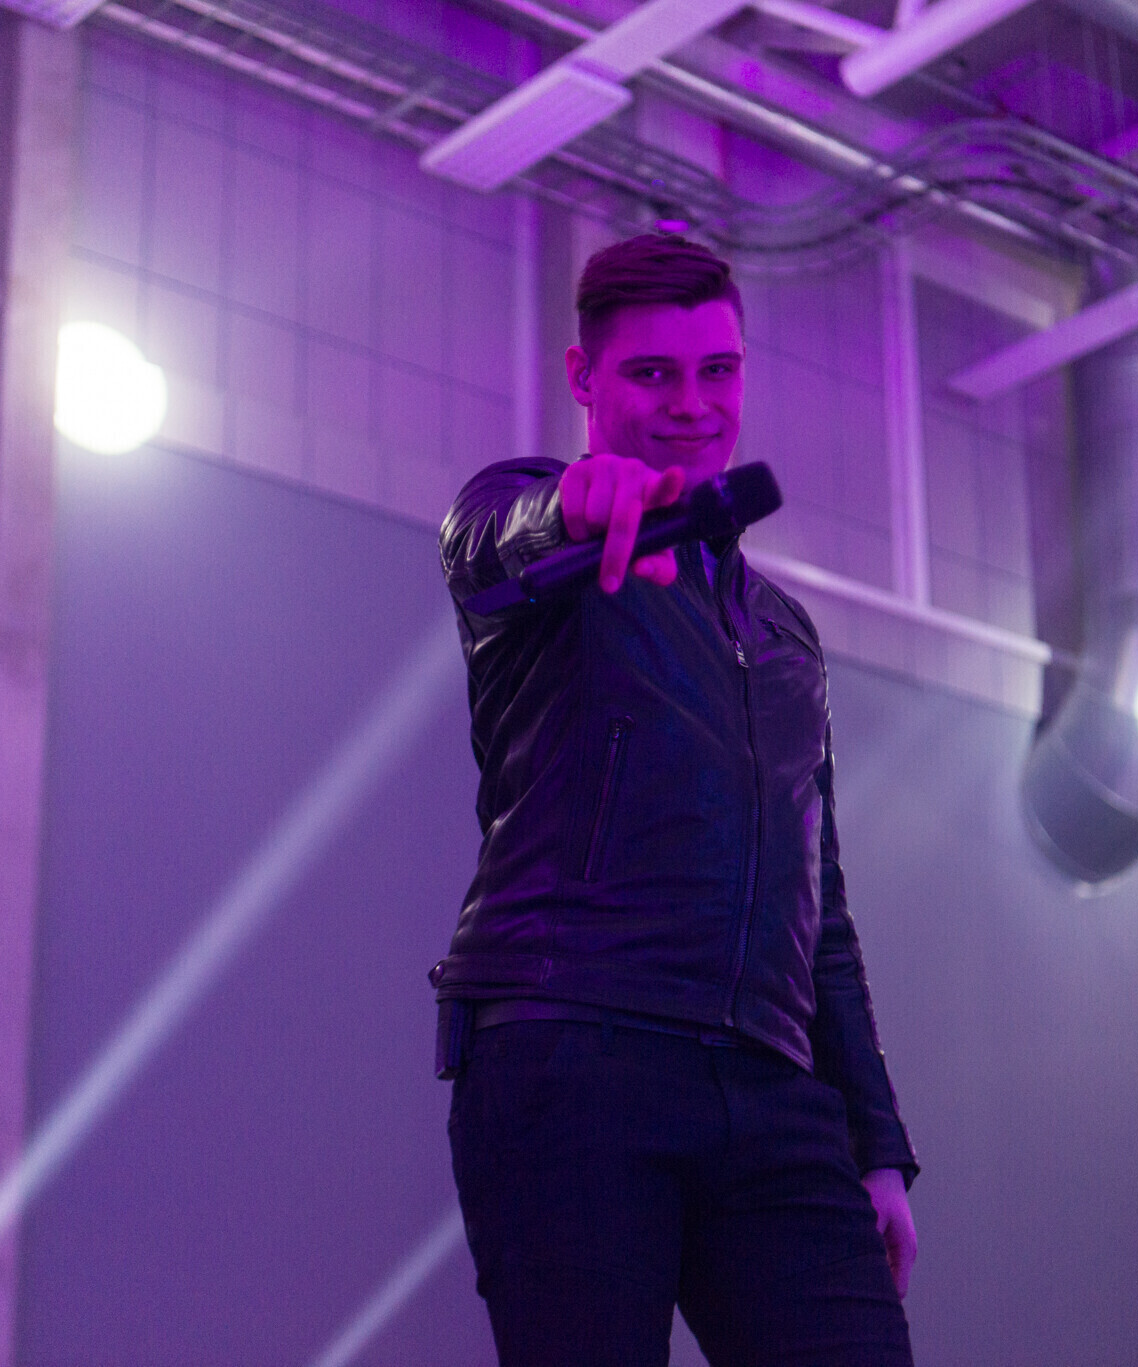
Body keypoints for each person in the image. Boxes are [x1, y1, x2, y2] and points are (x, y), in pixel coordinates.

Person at [431, 233, 919, 1367]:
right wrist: (573, 508)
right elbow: (484, 544)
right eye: (652, 372)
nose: (692, 404)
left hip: (773, 1088)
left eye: (718, 370)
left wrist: (875, 1144)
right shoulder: (543, 539)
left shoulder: (784, 633)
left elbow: (820, 910)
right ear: (584, 378)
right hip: (571, 1055)